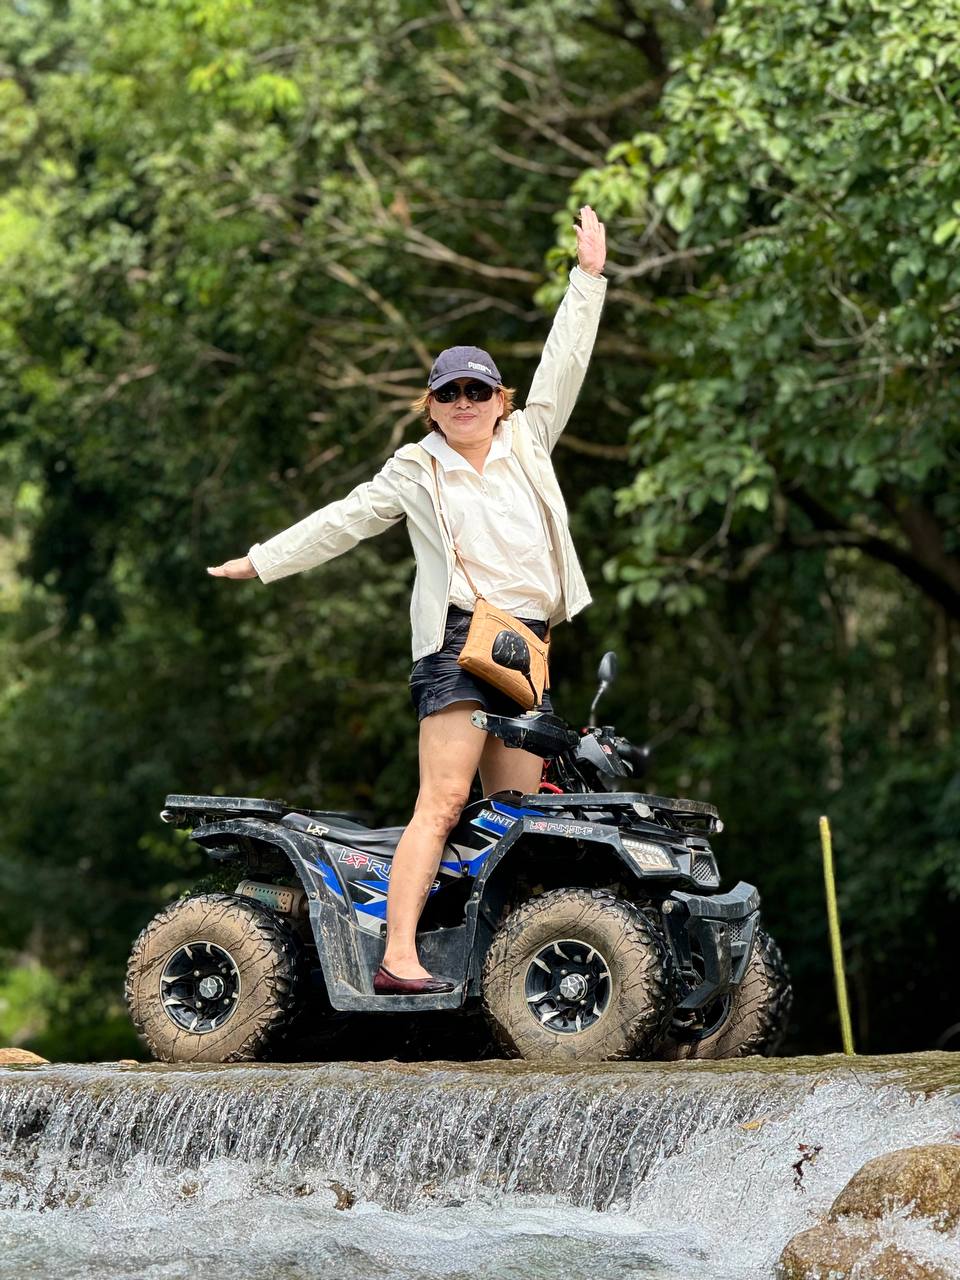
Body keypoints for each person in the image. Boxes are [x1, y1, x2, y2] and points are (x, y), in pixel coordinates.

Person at [208, 206, 607, 993]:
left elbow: (566, 358)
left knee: (518, 815)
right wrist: (262, 560)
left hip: (524, 647)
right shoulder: (415, 468)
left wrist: (588, 279)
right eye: (449, 393)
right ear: (431, 405)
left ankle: (501, 967)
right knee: (446, 798)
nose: (464, 402)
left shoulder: (528, 441)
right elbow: (345, 519)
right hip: (457, 643)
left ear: (500, 399)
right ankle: (396, 957)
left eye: (477, 390)